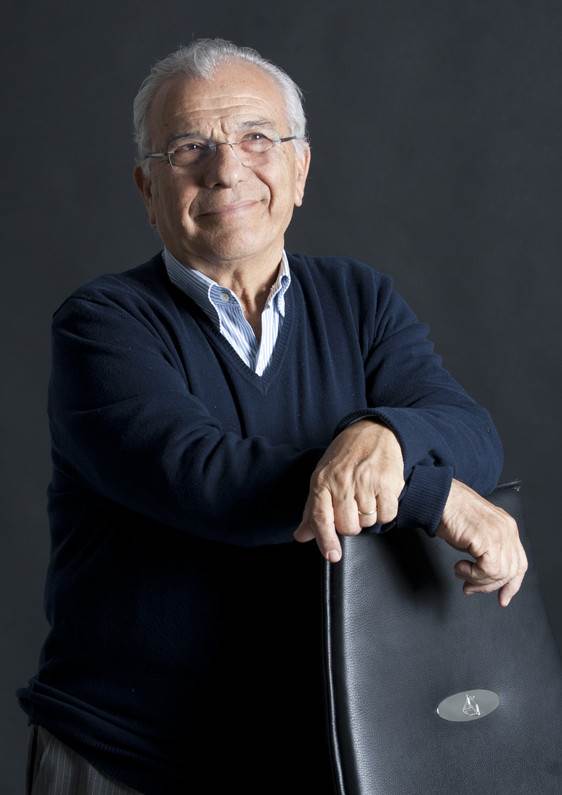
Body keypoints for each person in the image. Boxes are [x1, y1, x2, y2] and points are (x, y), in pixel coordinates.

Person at [17, 36, 527, 795]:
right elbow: (206, 480)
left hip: (320, 752)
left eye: (257, 137)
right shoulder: (102, 324)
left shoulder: (360, 298)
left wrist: (382, 433)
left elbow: (471, 433)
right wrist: (426, 489)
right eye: (189, 147)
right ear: (147, 189)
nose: (226, 169)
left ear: (300, 170)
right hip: (128, 759)